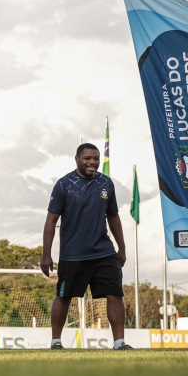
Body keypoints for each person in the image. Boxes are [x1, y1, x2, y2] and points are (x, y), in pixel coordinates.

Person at [40, 143, 132, 350]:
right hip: (73, 254)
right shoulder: (64, 185)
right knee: (64, 297)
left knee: (115, 294)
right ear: (77, 159)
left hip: (104, 251)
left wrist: (122, 248)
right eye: (87, 158)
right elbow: (51, 221)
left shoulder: (106, 183)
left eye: (96, 158)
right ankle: (56, 342)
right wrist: (46, 255)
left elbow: (113, 216)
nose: (92, 162)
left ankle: (119, 343)